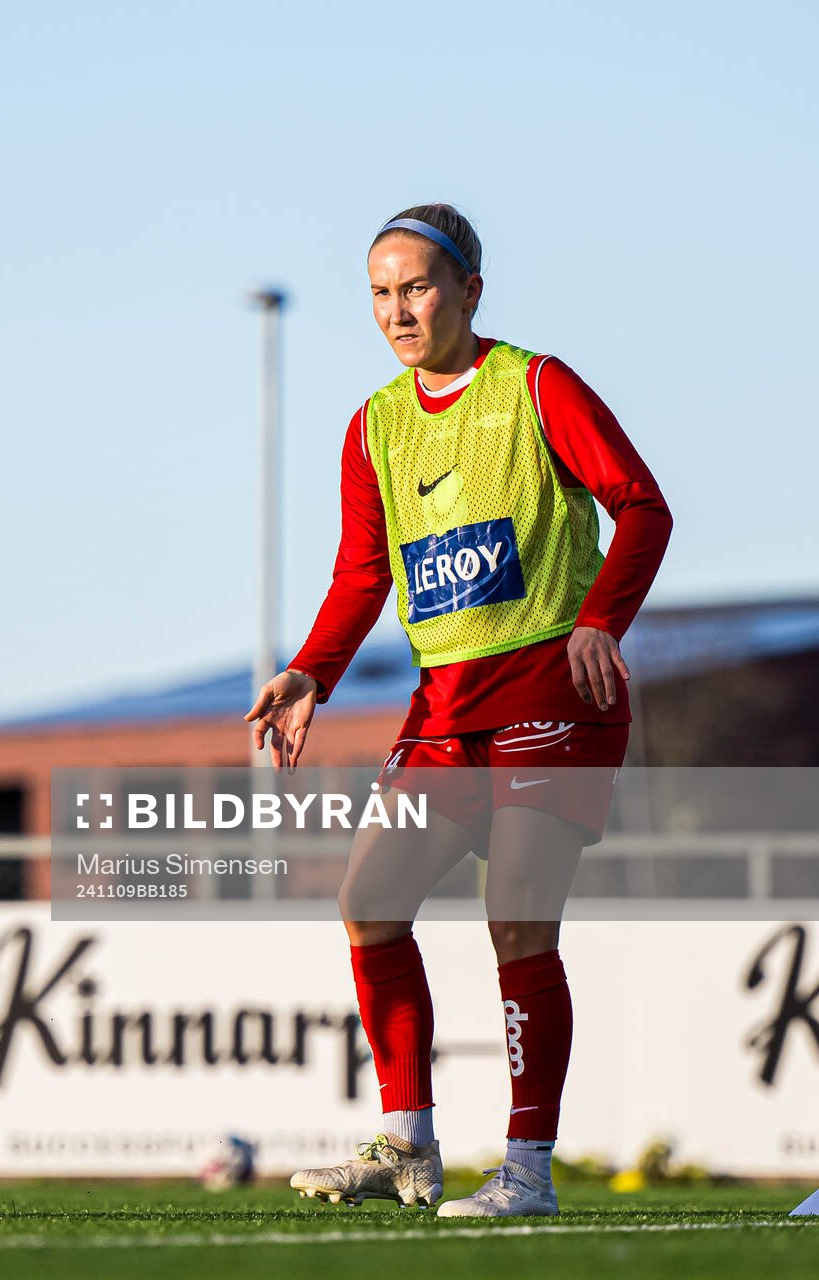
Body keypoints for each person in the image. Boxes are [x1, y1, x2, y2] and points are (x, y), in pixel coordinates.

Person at [245, 204, 670, 1217]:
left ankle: (527, 1169)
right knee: (369, 899)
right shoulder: (375, 425)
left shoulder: (537, 385)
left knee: (517, 919)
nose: (399, 309)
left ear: (470, 291)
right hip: (444, 710)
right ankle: (407, 1144)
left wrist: (602, 619)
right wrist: (313, 671)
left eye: (418, 287)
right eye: (382, 293)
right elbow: (362, 572)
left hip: (550, 696)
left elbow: (643, 504)